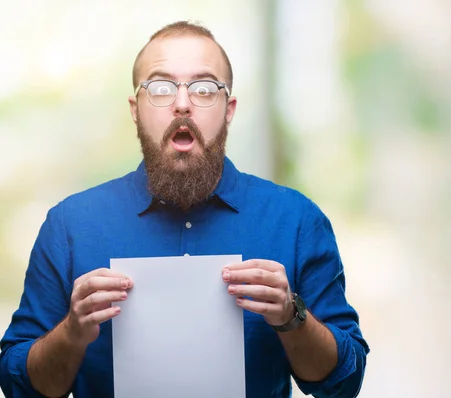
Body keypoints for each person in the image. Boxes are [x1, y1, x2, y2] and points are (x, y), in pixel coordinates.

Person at [0, 21, 369, 398]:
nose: (182, 103)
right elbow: (18, 387)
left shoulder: (296, 221)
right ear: (135, 109)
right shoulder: (70, 226)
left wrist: (293, 317)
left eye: (205, 88)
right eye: (160, 87)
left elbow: (342, 382)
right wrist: (71, 333)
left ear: (229, 109)